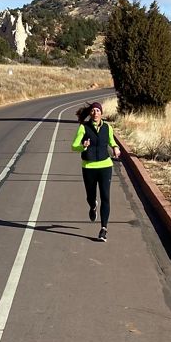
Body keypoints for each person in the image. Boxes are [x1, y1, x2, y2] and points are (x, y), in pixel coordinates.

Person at [71, 101, 119, 242]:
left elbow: (111, 141)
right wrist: (83, 147)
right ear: (90, 113)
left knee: (106, 197)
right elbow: (74, 146)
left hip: (105, 166)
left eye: (98, 111)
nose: (95, 113)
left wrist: (115, 147)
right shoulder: (83, 128)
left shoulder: (107, 127)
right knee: (90, 197)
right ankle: (93, 206)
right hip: (89, 167)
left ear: (101, 113)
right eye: (93, 111)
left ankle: (103, 229)